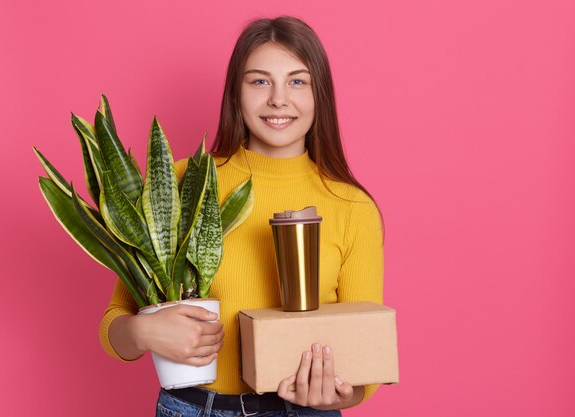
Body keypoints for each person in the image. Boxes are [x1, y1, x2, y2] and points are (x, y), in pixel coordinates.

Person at [99, 16, 384, 417]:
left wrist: (340, 394)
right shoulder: (187, 181)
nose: (279, 99)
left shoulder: (351, 207)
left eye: (297, 81)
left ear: (320, 94)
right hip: (193, 408)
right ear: (235, 92)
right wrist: (143, 331)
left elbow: (365, 357)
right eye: (260, 81)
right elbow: (114, 324)